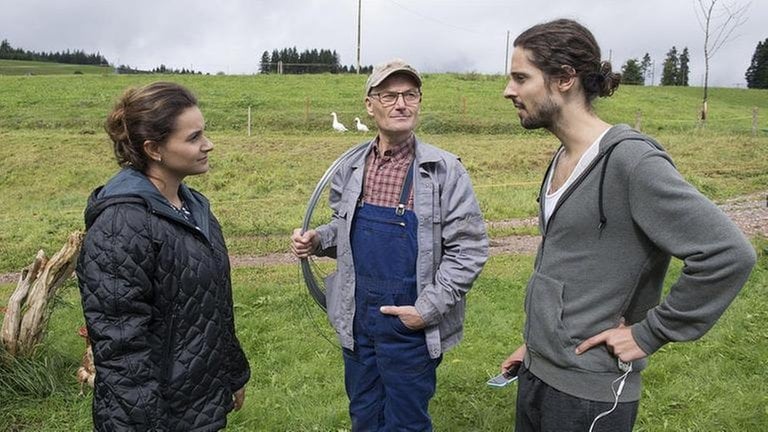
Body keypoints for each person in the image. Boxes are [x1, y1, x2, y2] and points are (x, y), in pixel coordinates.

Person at [498, 19, 757, 432]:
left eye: (520, 77)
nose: (508, 90)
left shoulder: (631, 162)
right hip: (539, 372)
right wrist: (538, 344)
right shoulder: (563, 158)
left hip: (589, 394)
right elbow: (577, 268)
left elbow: (728, 254)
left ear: (565, 78)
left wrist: (649, 333)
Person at [291, 59, 488, 431]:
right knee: (364, 414)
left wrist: (425, 311)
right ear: (370, 104)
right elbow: (343, 228)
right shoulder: (350, 168)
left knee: (406, 422)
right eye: (390, 95)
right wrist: (319, 240)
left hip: (410, 325)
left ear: (418, 102)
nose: (401, 104)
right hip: (357, 318)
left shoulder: (443, 171)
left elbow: (470, 250)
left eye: (410, 95)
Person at [77, 82, 250, 431]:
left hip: (199, 401)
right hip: (152, 413)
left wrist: (232, 373)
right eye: (193, 137)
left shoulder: (194, 208)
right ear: (154, 148)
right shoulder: (121, 224)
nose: (208, 144)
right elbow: (122, 346)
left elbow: (212, 305)